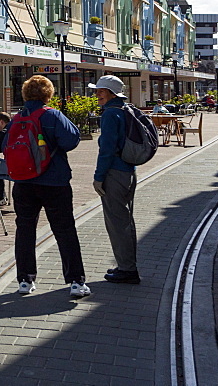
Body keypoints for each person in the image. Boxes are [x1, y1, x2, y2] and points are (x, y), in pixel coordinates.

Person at [10, 75, 89, 298]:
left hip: (23, 183)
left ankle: (25, 280)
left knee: (25, 230)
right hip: (53, 181)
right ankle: (76, 281)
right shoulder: (52, 115)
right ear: (48, 95)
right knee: (64, 230)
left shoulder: (17, 118)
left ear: (25, 94)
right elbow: (71, 140)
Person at [89, 75, 140, 285]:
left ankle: (127, 270)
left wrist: (98, 177)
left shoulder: (110, 114)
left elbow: (107, 150)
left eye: (101, 91)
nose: (97, 95)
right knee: (126, 222)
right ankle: (126, 265)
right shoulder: (126, 110)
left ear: (111, 93)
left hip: (114, 173)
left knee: (117, 223)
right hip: (128, 171)